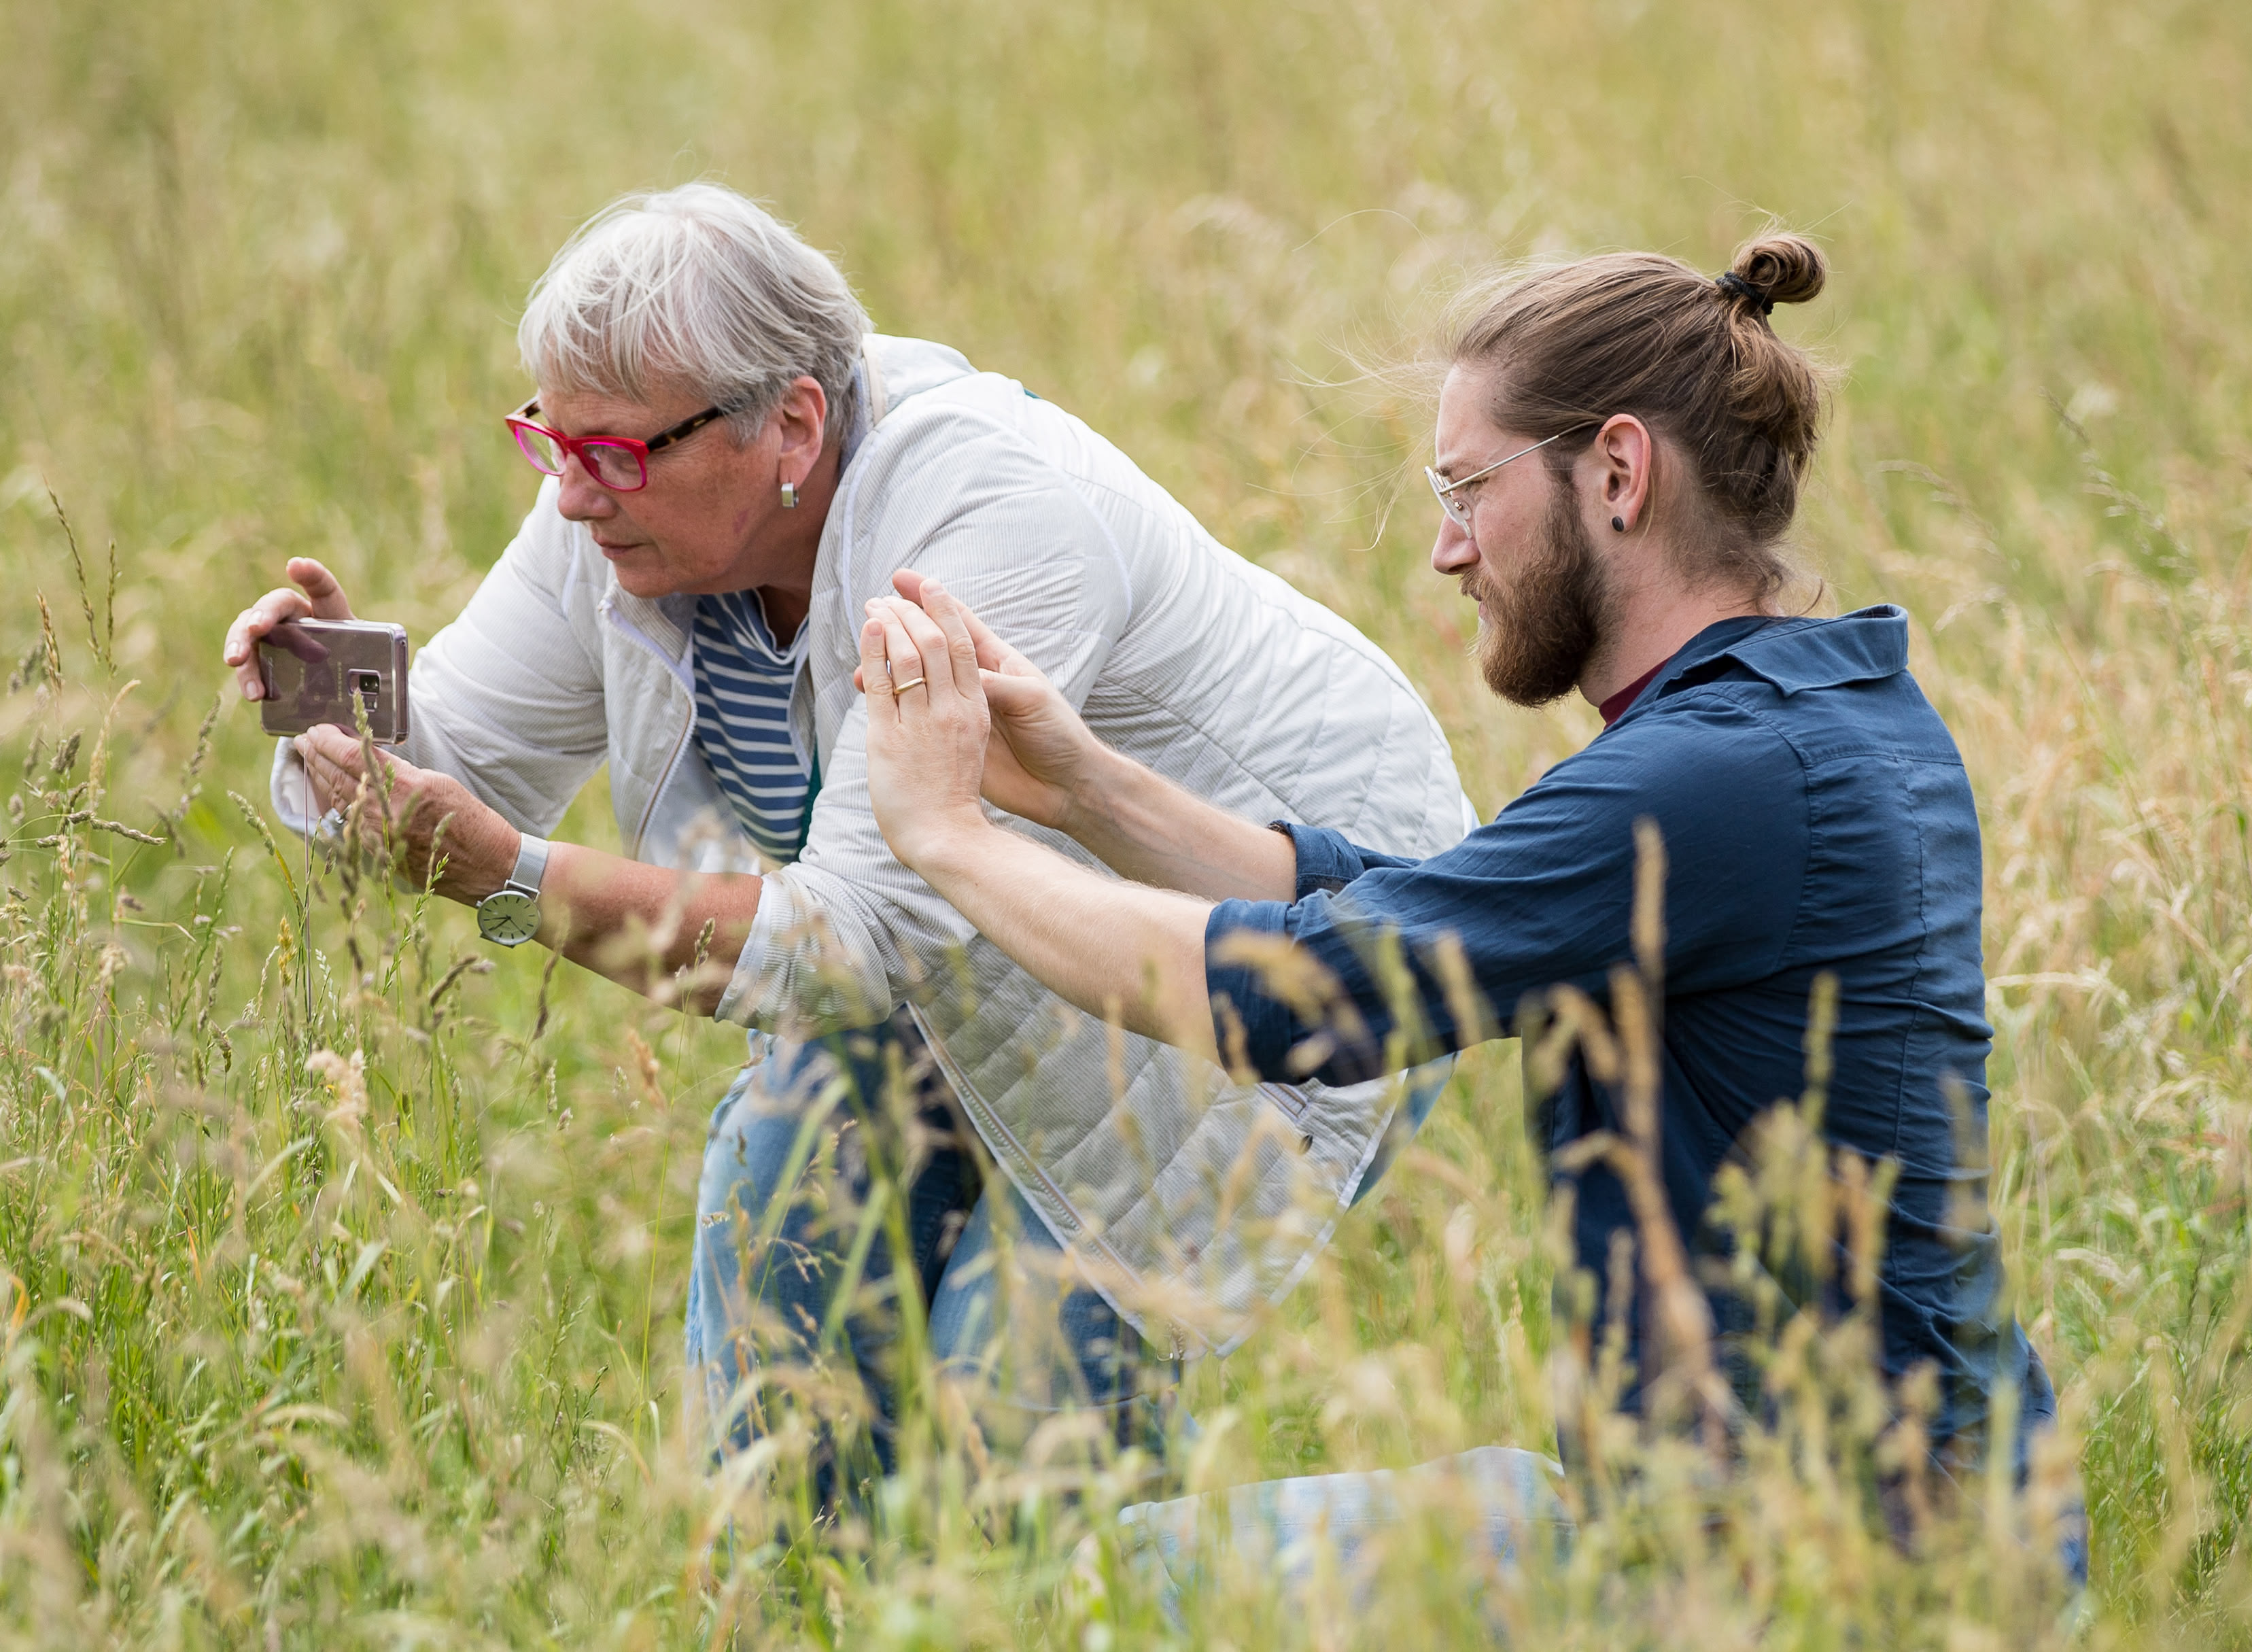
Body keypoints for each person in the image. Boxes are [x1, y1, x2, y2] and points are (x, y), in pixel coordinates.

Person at [220, 184, 1470, 1508]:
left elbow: (846, 951)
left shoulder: (986, 515)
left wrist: (512, 881)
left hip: (1272, 942)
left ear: (792, 425)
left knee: (1016, 1442)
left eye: (617, 456)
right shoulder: (616, 512)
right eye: (552, 441)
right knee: (778, 1384)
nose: (574, 496)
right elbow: (456, 774)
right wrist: (341, 722)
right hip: (958, 937)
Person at [850, 230, 2079, 1572]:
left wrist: (949, 839)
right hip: (1902, 1516)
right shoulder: (1823, 719)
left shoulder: (1716, 774)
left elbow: (1304, 994)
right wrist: (1087, 787)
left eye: (1466, 489)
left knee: (1111, 1583)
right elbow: (1405, 918)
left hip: (1806, 1560)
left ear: (1617, 473)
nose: (1445, 549)